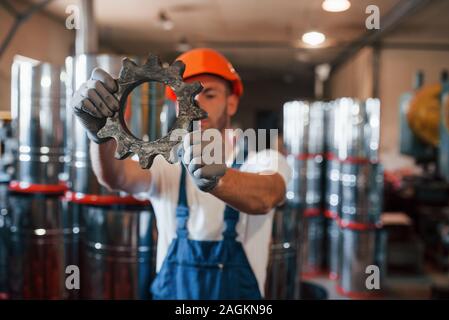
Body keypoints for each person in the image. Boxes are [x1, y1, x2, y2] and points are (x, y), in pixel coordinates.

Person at [71, 48, 291, 299]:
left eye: (209, 94)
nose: (196, 103)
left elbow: (265, 196)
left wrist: (220, 179)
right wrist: (101, 136)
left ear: (231, 102)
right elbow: (115, 177)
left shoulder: (262, 159)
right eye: (186, 95)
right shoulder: (166, 164)